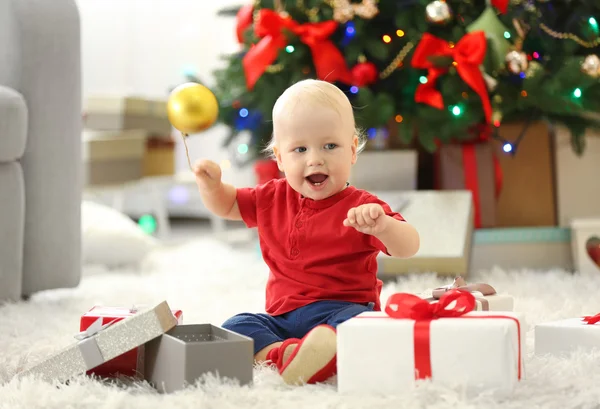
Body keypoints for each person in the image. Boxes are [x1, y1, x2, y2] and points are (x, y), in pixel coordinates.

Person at [193, 79, 420, 385]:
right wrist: (212, 186)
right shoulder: (272, 197)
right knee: (236, 327)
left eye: (330, 146)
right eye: (299, 149)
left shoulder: (363, 207)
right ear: (280, 158)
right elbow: (228, 204)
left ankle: (319, 350)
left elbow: (410, 245)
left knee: (363, 327)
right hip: (282, 319)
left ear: (352, 150)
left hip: (342, 311)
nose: (315, 158)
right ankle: (285, 355)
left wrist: (385, 226)